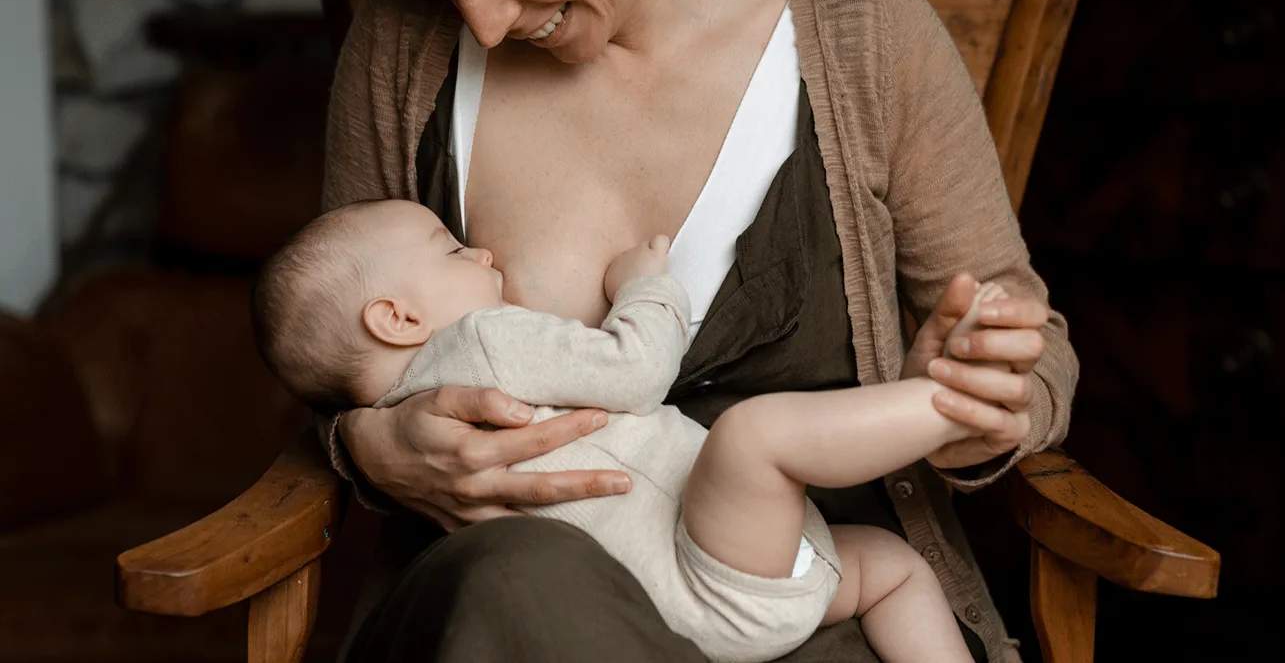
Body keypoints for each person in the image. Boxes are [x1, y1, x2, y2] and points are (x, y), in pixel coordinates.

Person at [318, 0, 1080, 661]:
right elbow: (325, 338)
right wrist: (368, 443)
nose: (481, 23)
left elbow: (1035, 355)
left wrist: (970, 400)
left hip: (802, 593)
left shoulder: (870, 36)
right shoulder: (403, 40)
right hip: (518, 619)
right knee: (520, 579)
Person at [254, 199, 1022, 661]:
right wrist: (647, 288)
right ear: (396, 319)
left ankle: (942, 401)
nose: (480, 249)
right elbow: (635, 372)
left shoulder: (411, 419)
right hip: (706, 570)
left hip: (669, 620)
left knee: (888, 567)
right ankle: (946, 400)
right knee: (753, 440)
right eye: (453, 249)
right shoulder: (481, 342)